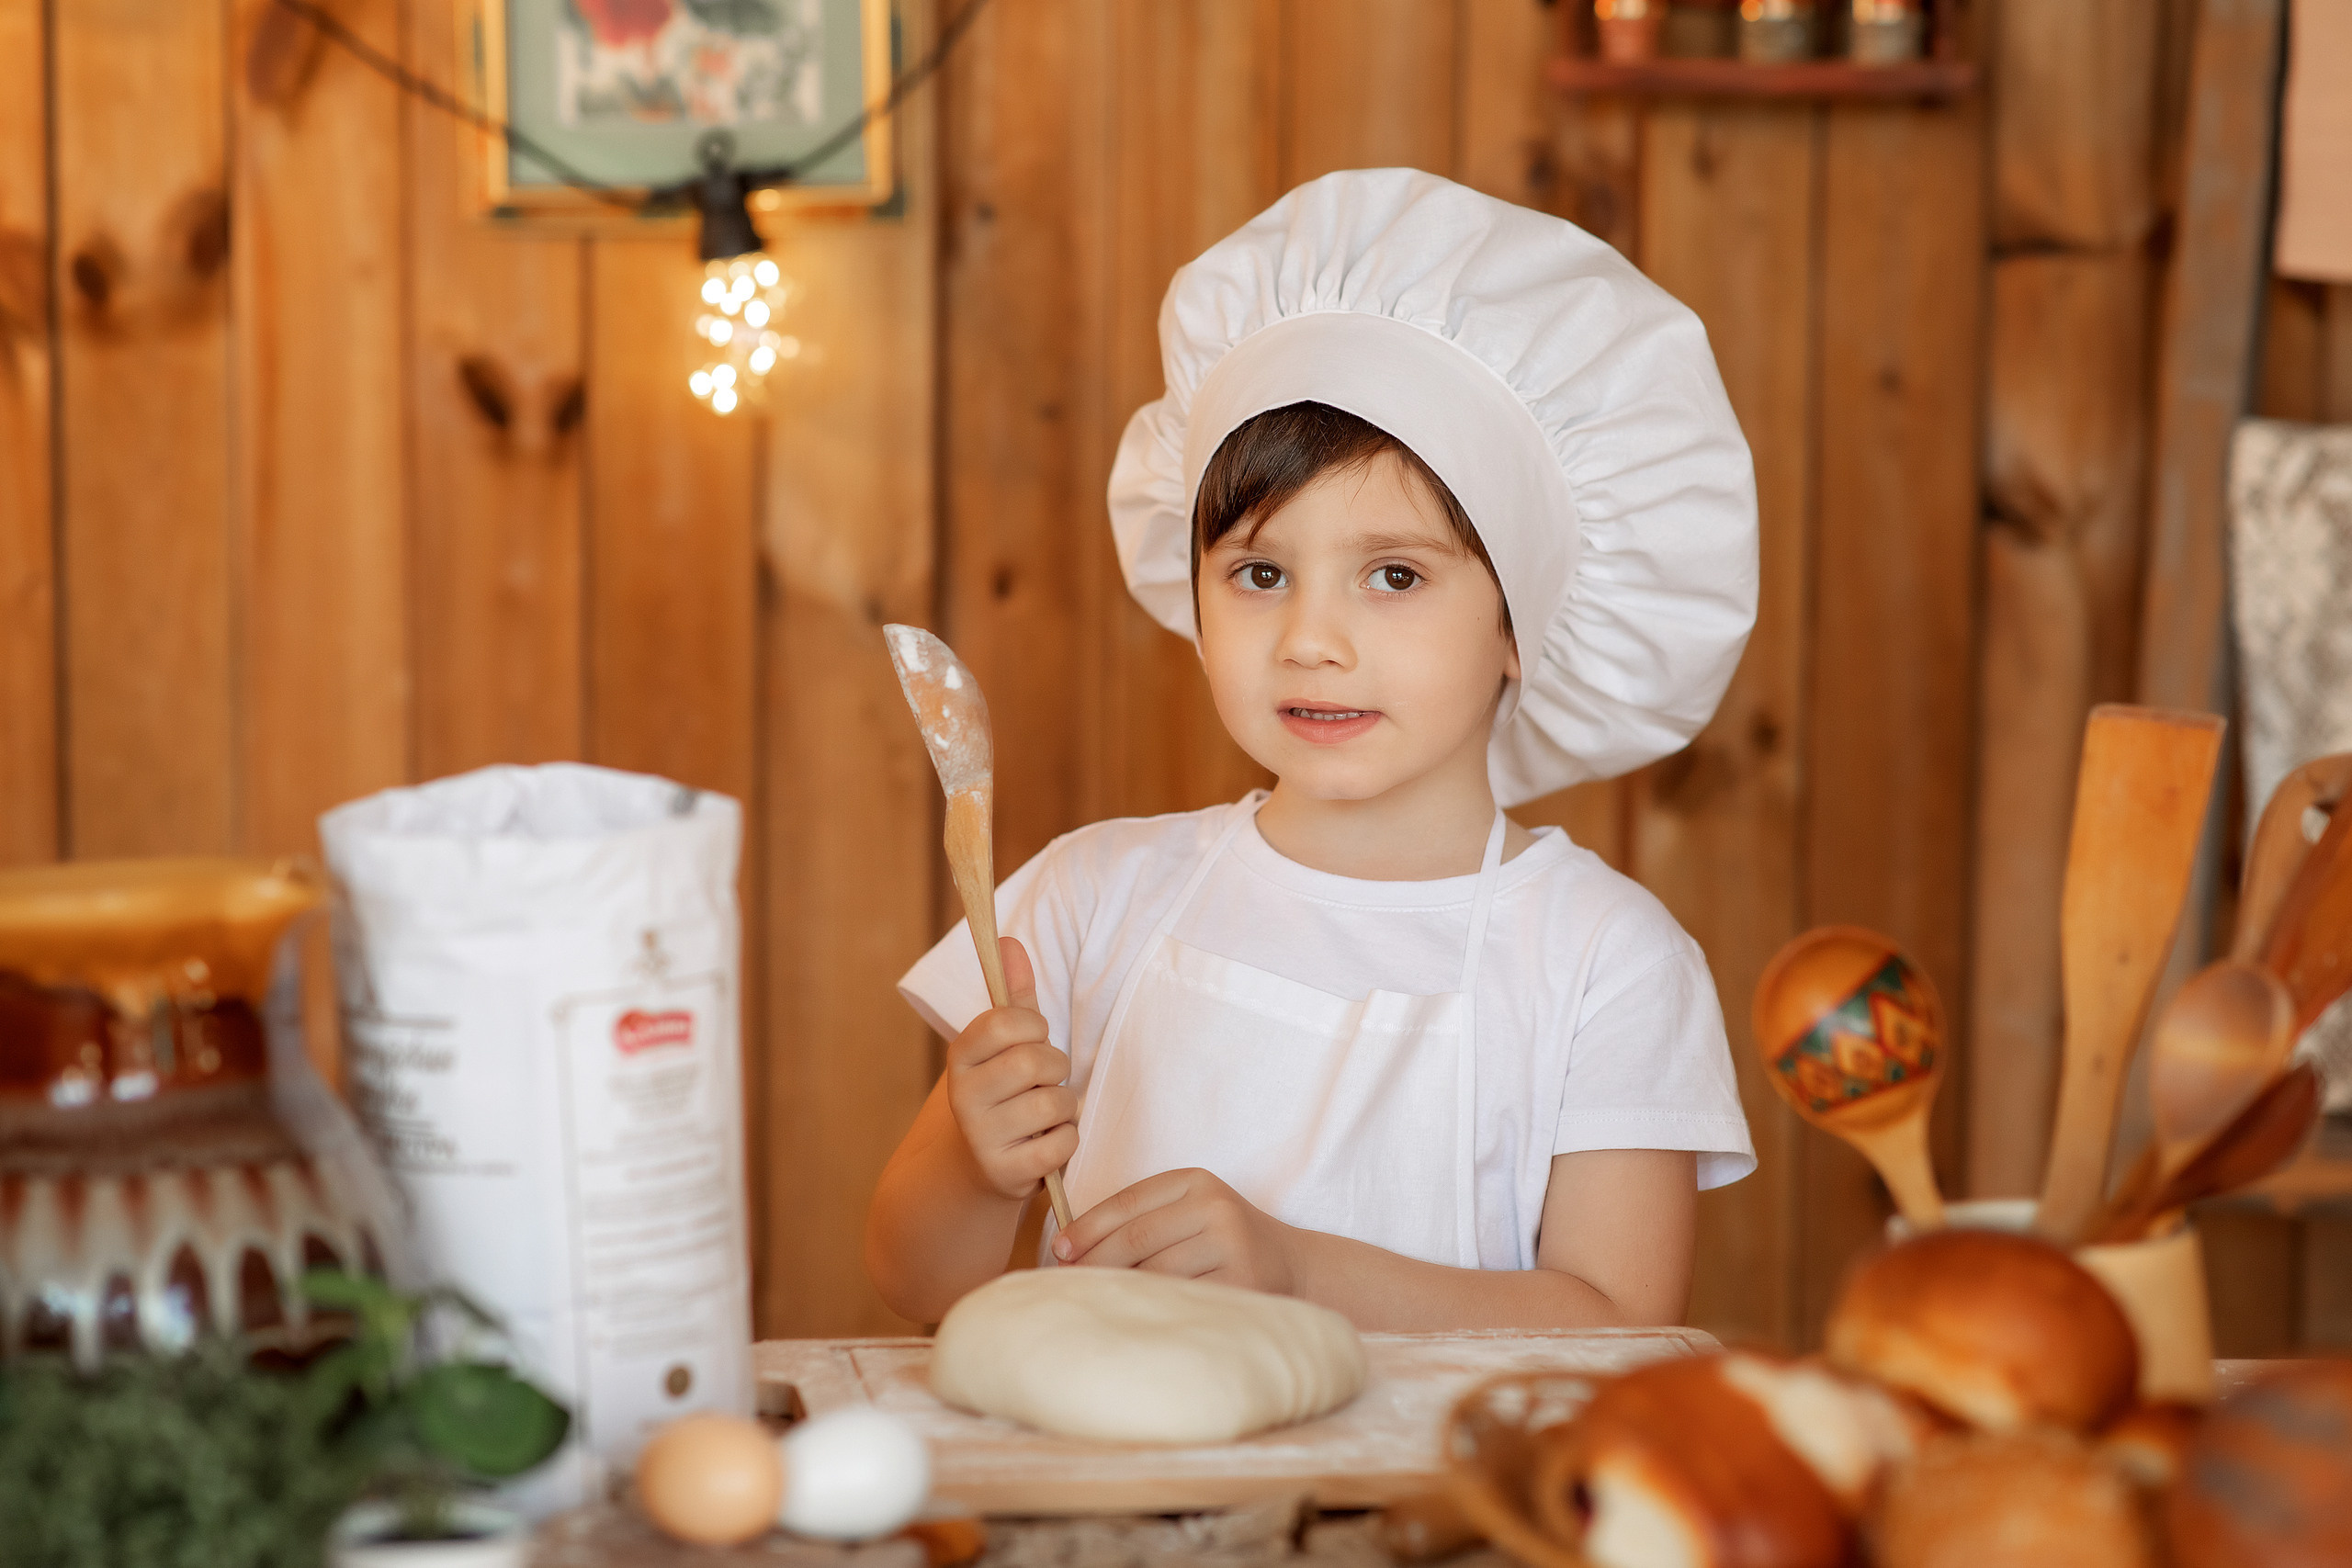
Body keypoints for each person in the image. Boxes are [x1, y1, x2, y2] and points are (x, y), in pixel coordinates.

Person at [866, 168, 1758, 1332]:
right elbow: (917, 1285)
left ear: (1518, 626)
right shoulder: (1088, 902)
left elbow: (1619, 1328)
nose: (1311, 640)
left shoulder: (1604, 963)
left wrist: (1299, 1274)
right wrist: (976, 1167)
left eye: (1393, 575)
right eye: (1259, 573)